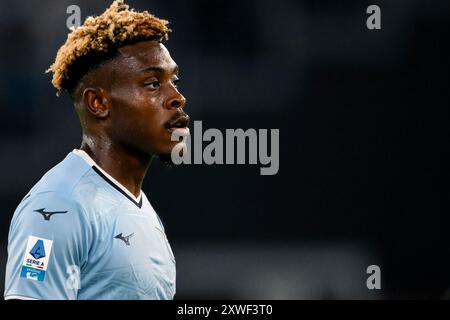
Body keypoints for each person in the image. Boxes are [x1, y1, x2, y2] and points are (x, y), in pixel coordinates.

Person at [4, 0, 189, 300]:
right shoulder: (58, 206)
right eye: (154, 84)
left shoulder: (139, 209)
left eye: (174, 81)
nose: (177, 97)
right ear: (99, 103)